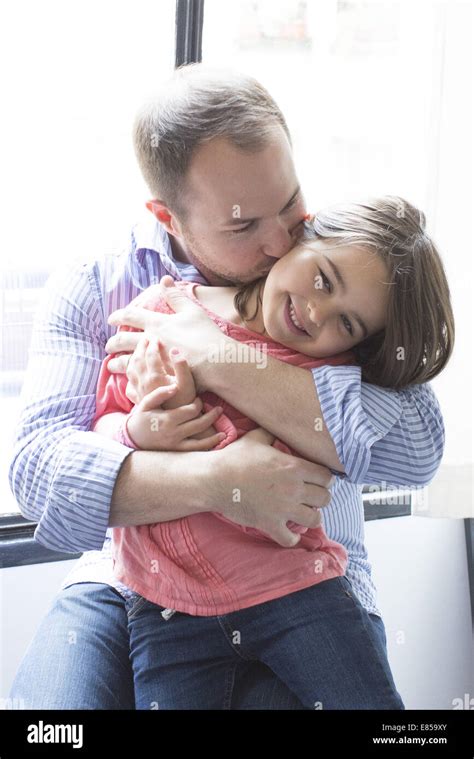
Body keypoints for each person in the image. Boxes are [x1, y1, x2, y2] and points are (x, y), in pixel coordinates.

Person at [8, 65, 447, 710]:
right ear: (168, 216)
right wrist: (222, 482)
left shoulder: (333, 267)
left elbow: (416, 447)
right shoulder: (98, 283)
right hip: (133, 579)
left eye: (291, 205)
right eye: (243, 226)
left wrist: (216, 356)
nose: (278, 242)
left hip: (305, 575)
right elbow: (37, 474)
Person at [90, 197, 453, 709]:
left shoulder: (329, 372)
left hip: (296, 593)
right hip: (169, 609)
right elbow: (101, 426)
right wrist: (138, 430)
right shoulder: (163, 310)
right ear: (299, 238)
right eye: (324, 279)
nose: (316, 312)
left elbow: (416, 446)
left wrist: (223, 363)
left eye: (347, 324)